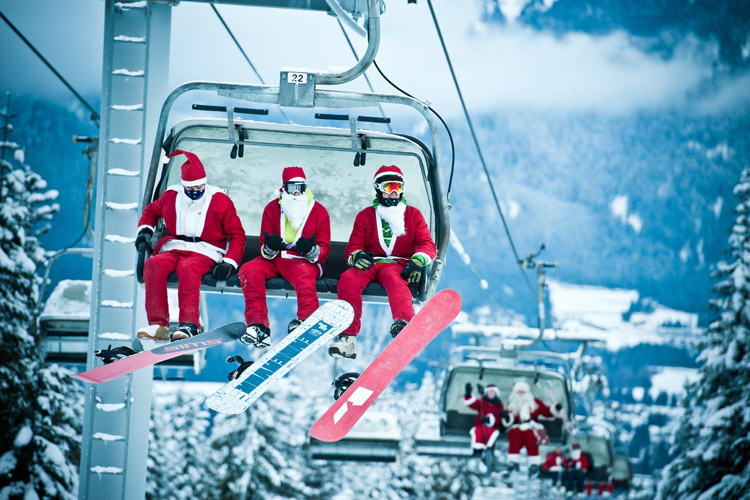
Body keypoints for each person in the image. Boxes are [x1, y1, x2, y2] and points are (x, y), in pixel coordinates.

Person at [135, 150, 246, 341]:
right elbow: (151, 211)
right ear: (184, 186)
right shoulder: (172, 196)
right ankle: (159, 325)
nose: (196, 192)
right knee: (154, 265)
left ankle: (189, 325)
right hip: (175, 245)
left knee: (189, 269)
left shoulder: (219, 201)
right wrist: (145, 230)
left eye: (200, 188)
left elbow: (237, 235)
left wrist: (229, 262)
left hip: (206, 249)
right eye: (192, 189)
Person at [329, 165, 436, 359]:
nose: (394, 193)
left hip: (397, 264)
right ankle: (347, 338)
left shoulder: (413, 215)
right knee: (348, 279)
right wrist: (357, 256)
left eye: (398, 187)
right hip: (371, 263)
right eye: (389, 187)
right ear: (378, 189)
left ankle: (404, 324)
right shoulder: (366, 216)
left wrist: (418, 260)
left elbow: (427, 244)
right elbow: (353, 246)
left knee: (395, 281)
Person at [238, 166, 330, 347]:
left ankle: (307, 322)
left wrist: (312, 251)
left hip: (303, 261)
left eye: (300, 188)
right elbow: (264, 245)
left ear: (306, 188)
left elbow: (325, 246)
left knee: (304, 280)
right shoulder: (272, 209)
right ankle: (258, 326)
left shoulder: (318, 211)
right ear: (283, 189)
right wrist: (270, 247)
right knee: (249, 270)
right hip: (277, 260)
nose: (296, 193)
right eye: (291, 188)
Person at [502, 380, 563, 469]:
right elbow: (510, 417)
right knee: (515, 437)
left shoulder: (535, 403)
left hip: (531, 426)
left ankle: (534, 462)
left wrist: (554, 409)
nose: (521, 394)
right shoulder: (511, 404)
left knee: (531, 439)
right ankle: (513, 461)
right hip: (517, 426)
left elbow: (546, 411)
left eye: (523, 391)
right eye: (519, 391)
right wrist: (507, 418)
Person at [463, 383, 506, 455]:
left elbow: (499, 418)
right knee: (478, 431)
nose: (491, 393)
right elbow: (472, 404)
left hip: (492, 427)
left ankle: (487, 450)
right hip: (480, 425)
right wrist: (468, 395)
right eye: (489, 392)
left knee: (490, 432)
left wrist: (490, 420)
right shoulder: (482, 402)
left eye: (493, 392)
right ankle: (477, 450)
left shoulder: (499, 404)